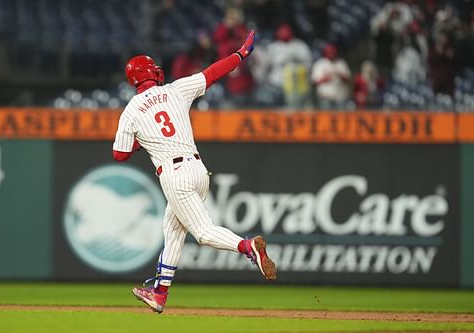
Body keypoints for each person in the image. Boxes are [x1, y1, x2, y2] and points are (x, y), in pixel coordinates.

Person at [112, 30, 277, 314]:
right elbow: (212, 73)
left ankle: (248, 246)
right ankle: (159, 294)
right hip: (198, 170)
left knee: (202, 232)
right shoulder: (175, 89)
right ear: (151, 73)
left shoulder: (131, 111)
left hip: (174, 176)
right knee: (173, 230)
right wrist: (239, 54)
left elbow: (119, 154)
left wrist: (142, 140)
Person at [311, 44, 351, 109]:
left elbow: (348, 79)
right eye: (329, 52)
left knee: (340, 117)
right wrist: (326, 78)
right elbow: (315, 81)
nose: (331, 53)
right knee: (325, 118)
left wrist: (340, 75)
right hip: (325, 98)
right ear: (325, 52)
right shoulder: (320, 64)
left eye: (332, 52)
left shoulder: (341, 63)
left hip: (339, 97)